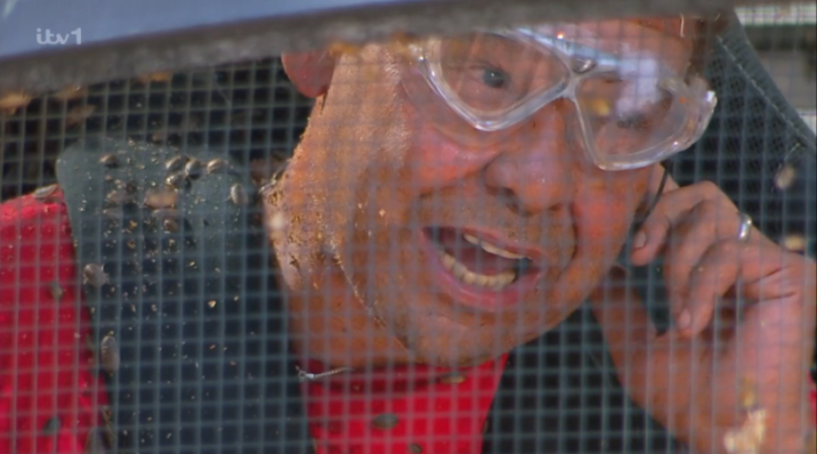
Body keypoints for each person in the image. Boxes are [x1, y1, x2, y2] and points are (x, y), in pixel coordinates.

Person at [0, 9, 814, 454]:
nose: (534, 182)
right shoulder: (26, 303)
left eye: (625, 112)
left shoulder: (703, 381)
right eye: (488, 75)